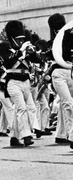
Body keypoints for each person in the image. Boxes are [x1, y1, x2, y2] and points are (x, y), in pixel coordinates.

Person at [0, 20, 42, 146]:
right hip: (13, 82)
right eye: (19, 39)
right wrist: (20, 52)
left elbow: (38, 60)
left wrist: (32, 53)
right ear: (12, 39)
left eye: (22, 39)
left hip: (26, 82)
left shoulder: (25, 50)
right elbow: (7, 62)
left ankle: (13, 136)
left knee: (28, 108)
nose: (21, 42)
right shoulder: (6, 49)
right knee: (22, 108)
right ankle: (27, 136)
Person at [52, 19, 73, 149]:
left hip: (71, 73)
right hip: (59, 73)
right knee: (68, 104)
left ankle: (62, 134)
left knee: (66, 107)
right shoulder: (64, 36)